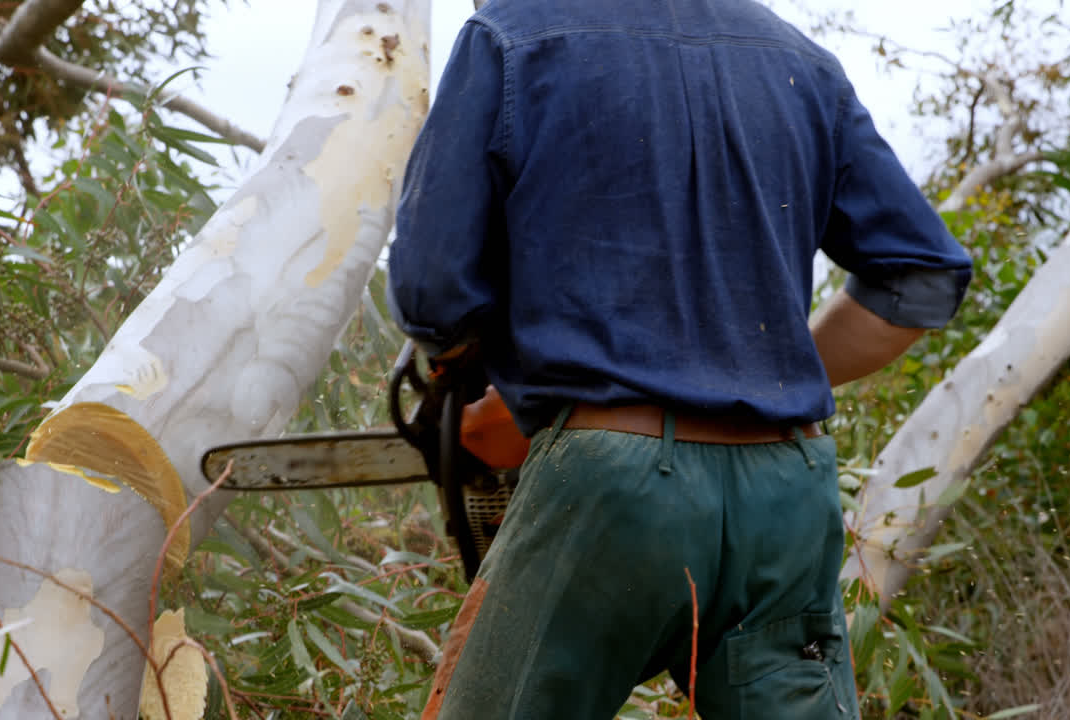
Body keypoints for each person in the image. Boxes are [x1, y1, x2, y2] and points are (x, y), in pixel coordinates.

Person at [386, 0, 973, 718]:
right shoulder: (803, 61)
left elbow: (434, 289)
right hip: (788, 490)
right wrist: (752, 370)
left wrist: (501, 386)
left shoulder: (510, 35)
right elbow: (922, 277)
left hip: (611, 491)